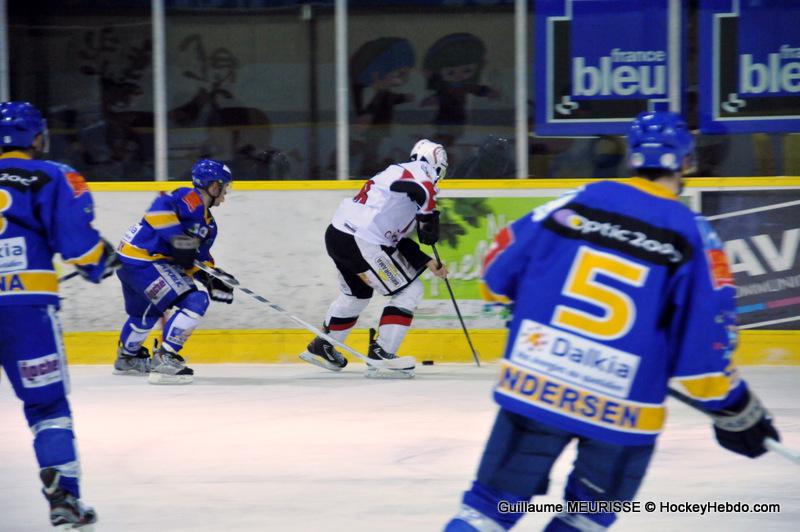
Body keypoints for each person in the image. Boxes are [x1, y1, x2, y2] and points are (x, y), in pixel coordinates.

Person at [445, 111, 781, 531]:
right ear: (686, 162)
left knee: (487, 509)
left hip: (536, 385)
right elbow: (704, 354)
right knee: (584, 521)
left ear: (633, 157)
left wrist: (521, 302)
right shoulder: (695, 235)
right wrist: (737, 409)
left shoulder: (583, 198)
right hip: (624, 412)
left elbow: (496, 268)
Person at [0, 101, 120, 529]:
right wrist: (100, 261)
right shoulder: (52, 175)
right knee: (47, 405)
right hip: (26, 311)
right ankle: (64, 496)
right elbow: (77, 244)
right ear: (36, 137)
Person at [300, 139, 449, 378]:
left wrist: (426, 260)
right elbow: (424, 189)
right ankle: (382, 354)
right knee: (410, 291)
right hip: (362, 239)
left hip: (340, 235)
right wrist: (428, 214)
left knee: (357, 295)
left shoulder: (397, 178)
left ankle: (323, 346)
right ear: (437, 165)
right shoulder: (420, 172)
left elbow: (393, 239)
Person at [114, 158, 235, 385]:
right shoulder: (190, 198)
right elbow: (157, 210)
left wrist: (213, 277)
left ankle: (128, 358)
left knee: (146, 314)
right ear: (213, 186)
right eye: (224, 187)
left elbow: (195, 259)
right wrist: (178, 239)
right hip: (145, 261)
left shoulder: (209, 226)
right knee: (196, 301)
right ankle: (165, 359)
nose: (225, 195)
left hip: (128, 260)